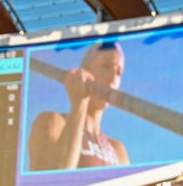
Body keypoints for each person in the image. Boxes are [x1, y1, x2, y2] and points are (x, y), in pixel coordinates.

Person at [27, 40, 130, 172]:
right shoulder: (53, 122)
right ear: (86, 72)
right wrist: (79, 103)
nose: (113, 78)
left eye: (119, 72)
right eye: (106, 66)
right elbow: (54, 178)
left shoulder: (118, 150)